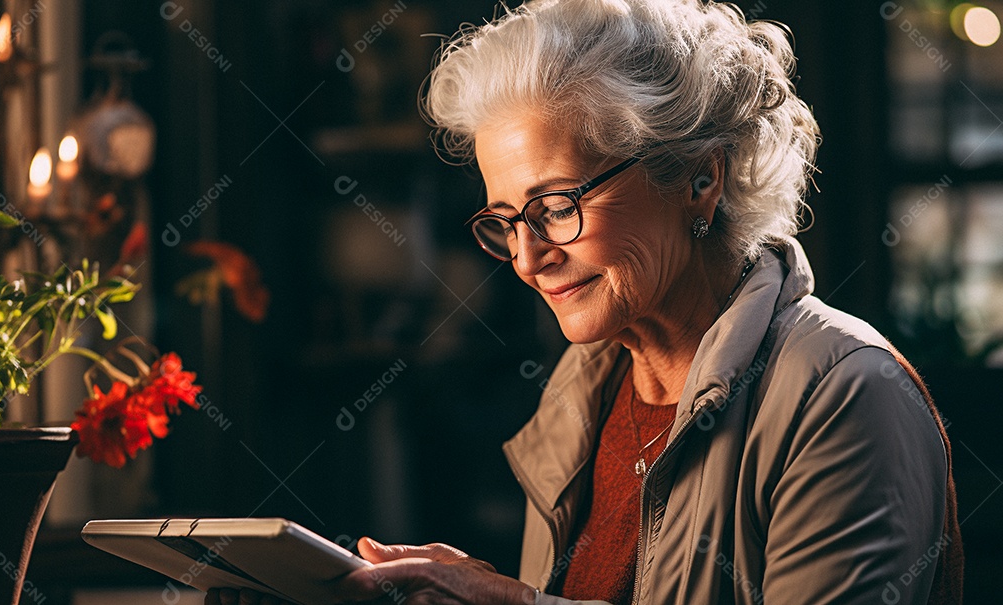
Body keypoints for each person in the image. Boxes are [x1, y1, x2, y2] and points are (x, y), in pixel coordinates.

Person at [208, 0, 963, 603]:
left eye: (557, 204)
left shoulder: (845, 393)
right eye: (505, 221)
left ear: (699, 178)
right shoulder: (586, 387)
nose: (529, 258)